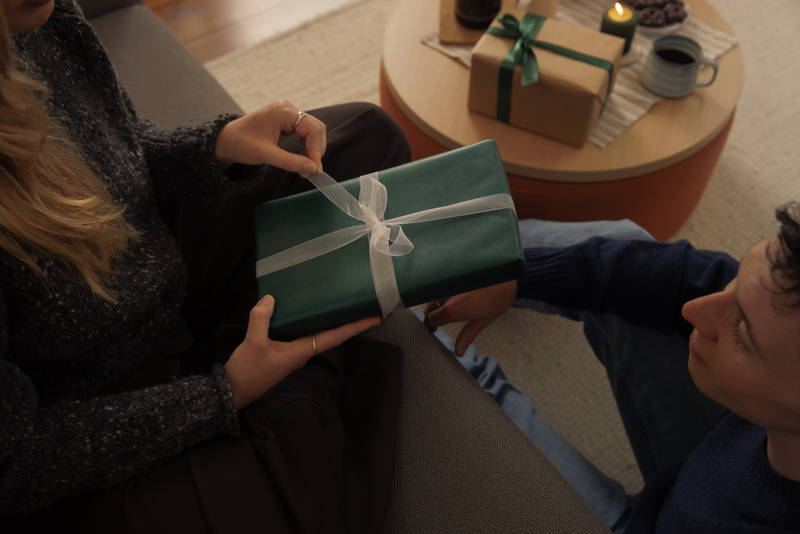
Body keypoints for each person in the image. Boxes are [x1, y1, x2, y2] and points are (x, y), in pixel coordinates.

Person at [0, 0, 411, 530]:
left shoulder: (44, 15)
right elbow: (15, 461)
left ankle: (281, 369)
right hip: (94, 406)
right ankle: (286, 368)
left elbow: (127, 150)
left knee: (366, 136)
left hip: (163, 279)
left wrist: (219, 146)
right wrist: (223, 393)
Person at [424, 210, 800, 532]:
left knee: (455, 387)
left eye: (743, 332)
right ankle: (421, 254)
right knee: (623, 249)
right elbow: (687, 276)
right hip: (707, 464)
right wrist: (520, 275)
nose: (695, 311)